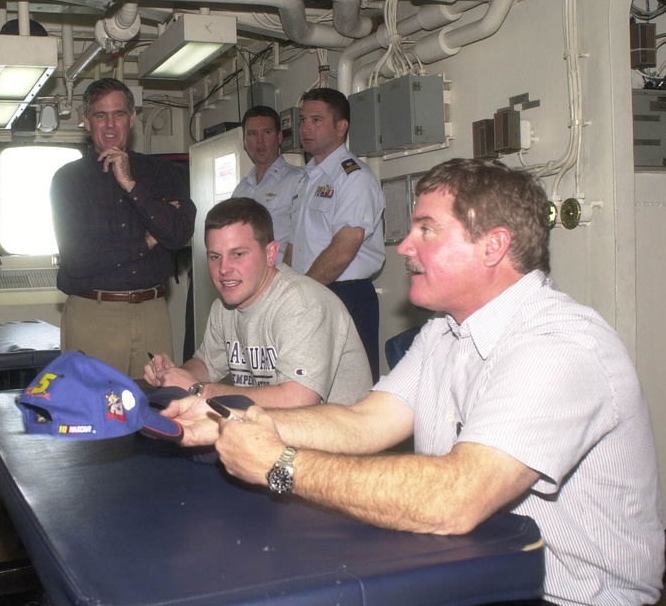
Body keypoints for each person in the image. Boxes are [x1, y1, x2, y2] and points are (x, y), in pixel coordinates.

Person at [166, 159, 664, 606]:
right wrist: (225, 421)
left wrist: (280, 464)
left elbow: (454, 498)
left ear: (494, 246)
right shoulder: (445, 334)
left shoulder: (560, 347)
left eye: (427, 231)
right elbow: (362, 422)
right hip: (472, 572)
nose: (404, 246)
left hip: (564, 595)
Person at [145, 197, 370, 408]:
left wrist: (199, 390)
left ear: (271, 254)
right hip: (272, 433)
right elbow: (205, 365)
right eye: (215, 256)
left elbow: (298, 400)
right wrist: (173, 375)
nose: (223, 269)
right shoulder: (225, 305)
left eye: (238, 254)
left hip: (334, 443)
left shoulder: (303, 304)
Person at [50, 78, 195, 379]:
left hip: (153, 309)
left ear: (132, 118)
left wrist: (131, 185)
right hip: (94, 312)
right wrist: (148, 241)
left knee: (158, 408)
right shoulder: (69, 180)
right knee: (95, 413)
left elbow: (180, 233)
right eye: (100, 115)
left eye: (118, 114)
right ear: (86, 121)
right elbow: (78, 259)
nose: (110, 125)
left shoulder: (160, 173)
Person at [285, 88, 384, 382]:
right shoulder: (307, 179)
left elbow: (343, 249)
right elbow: (295, 244)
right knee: (308, 383)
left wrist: (302, 294)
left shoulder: (354, 178)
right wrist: (286, 289)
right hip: (310, 291)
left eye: (316, 120)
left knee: (351, 389)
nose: (305, 128)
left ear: (341, 127)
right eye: (303, 120)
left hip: (344, 293)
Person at [231, 106, 303, 264]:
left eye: (267, 132)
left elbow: (305, 240)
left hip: (283, 280)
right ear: (244, 141)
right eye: (252, 134)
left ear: (279, 137)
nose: (260, 140)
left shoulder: (298, 180)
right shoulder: (241, 189)